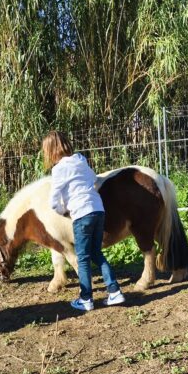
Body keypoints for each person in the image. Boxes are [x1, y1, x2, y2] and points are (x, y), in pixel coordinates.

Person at [42, 131, 125, 311]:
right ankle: (114, 292)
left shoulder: (58, 169)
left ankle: (86, 298)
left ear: (50, 150)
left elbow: (53, 201)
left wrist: (64, 211)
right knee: (96, 253)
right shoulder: (81, 160)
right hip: (98, 210)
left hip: (81, 214)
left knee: (83, 258)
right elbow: (94, 179)